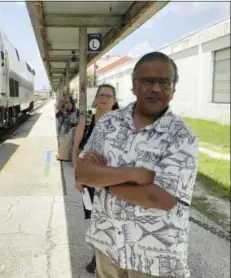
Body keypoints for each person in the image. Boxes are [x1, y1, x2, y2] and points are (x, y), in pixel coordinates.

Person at [75, 51, 199, 278]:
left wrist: (104, 181)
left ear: (173, 88)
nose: (156, 88)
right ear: (134, 85)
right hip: (107, 245)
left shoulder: (182, 136)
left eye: (165, 82)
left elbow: (161, 197)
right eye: (148, 80)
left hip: (154, 257)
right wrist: (133, 173)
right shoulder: (108, 124)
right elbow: (82, 173)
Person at [72, 84, 120, 274]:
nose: (104, 98)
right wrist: (78, 177)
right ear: (95, 98)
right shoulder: (87, 119)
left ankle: (111, 256)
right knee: (95, 218)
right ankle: (97, 256)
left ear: (114, 100)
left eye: (108, 95)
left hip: (112, 179)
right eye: (101, 95)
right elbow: (76, 148)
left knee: (112, 218)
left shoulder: (120, 122)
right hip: (90, 179)